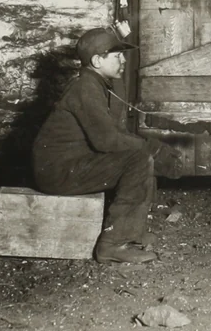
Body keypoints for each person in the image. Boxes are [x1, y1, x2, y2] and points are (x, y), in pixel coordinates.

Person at [32, 26, 180, 264]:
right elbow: (107, 141)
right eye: (117, 56)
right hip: (57, 171)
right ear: (97, 60)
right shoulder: (85, 88)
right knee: (139, 159)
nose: (123, 59)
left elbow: (112, 133)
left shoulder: (97, 85)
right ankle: (113, 245)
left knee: (140, 155)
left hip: (70, 165)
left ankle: (132, 233)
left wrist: (150, 146)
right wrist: (151, 148)